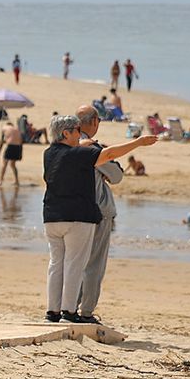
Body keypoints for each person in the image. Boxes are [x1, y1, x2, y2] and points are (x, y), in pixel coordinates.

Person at [43, 116, 156, 323]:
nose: (80, 134)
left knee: (56, 263)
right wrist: (138, 142)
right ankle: (69, 311)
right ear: (66, 133)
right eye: (76, 130)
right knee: (74, 264)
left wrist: (84, 144)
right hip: (77, 217)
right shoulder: (78, 155)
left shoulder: (49, 153)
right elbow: (110, 154)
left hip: (51, 216)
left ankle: (53, 311)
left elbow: (70, 153)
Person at [75, 106, 122, 323]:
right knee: (94, 263)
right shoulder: (92, 147)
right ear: (93, 121)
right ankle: (86, 311)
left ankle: (68, 307)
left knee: (73, 262)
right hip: (98, 209)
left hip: (73, 209)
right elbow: (116, 174)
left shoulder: (66, 144)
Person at [0, 115, 23, 188]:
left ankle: (0, 181)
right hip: (17, 147)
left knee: (4, 164)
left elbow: (2, 142)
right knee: (13, 165)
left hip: (11, 146)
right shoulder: (16, 129)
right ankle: (17, 181)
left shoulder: (4, 128)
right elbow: (21, 141)